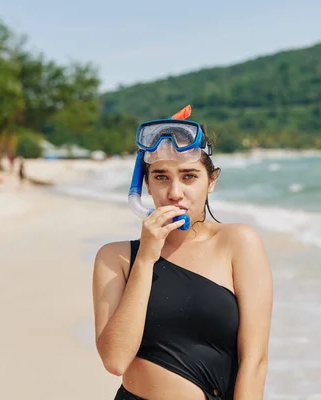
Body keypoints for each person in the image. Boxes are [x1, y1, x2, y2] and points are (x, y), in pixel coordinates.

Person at [92, 106, 273, 399]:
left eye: (189, 177)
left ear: (211, 181)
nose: (175, 192)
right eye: (161, 177)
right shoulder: (116, 258)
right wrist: (146, 259)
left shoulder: (239, 243)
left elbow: (255, 361)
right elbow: (115, 360)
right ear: (145, 184)